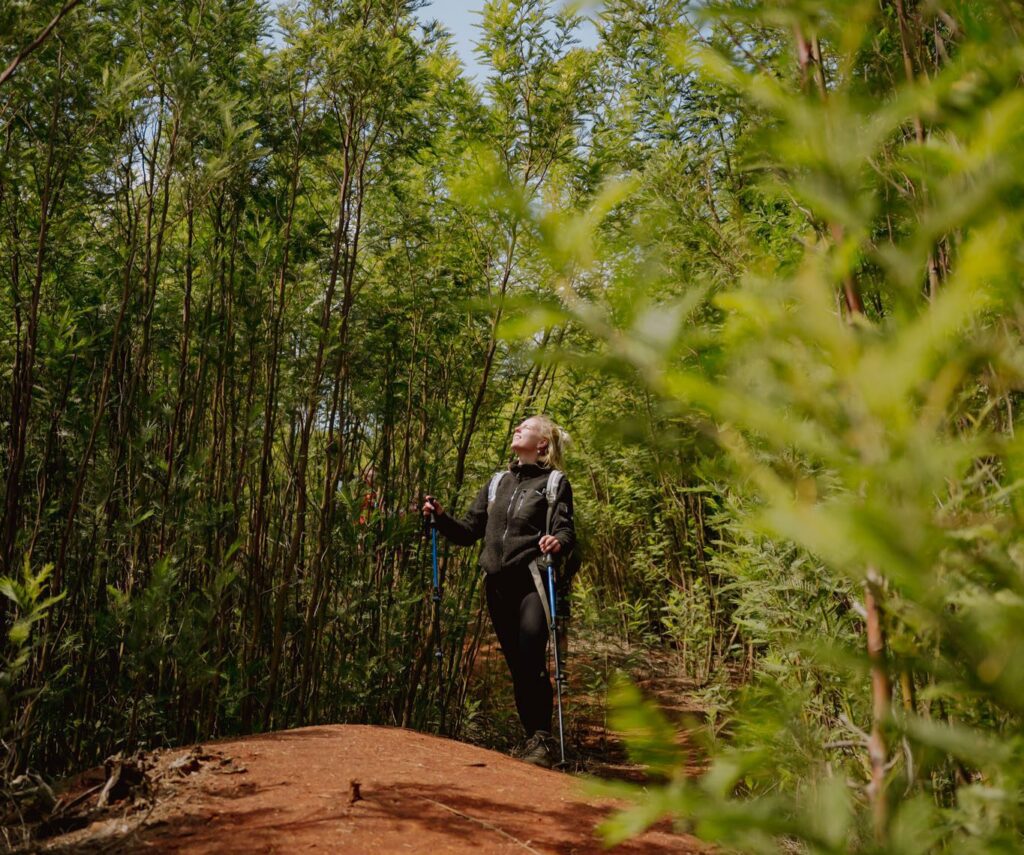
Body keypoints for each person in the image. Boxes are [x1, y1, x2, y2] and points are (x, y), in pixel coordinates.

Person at [422, 415, 575, 769]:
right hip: (498, 587)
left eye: (526, 426)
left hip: (532, 582)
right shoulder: (497, 483)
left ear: (542, 444)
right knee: (518, 665)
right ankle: (532, 738)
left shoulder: (553, 483)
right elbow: (468, 531)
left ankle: (542, 739)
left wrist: (556, 542)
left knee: (531, 653)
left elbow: (567, 532)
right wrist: (441, 517)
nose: (517, 428)